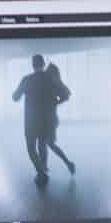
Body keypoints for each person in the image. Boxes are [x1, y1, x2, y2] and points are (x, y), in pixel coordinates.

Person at [11, 53, 77, 187]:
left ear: (32, 64)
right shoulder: (51, 78)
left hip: (31, 121)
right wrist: (54, 103)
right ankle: (44, 170)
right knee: (44, 144)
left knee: (31, 148)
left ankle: (41, 173)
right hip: (48, 120)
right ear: (43, 64)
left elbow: (15, 97)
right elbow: (66, 96)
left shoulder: (27, 80)